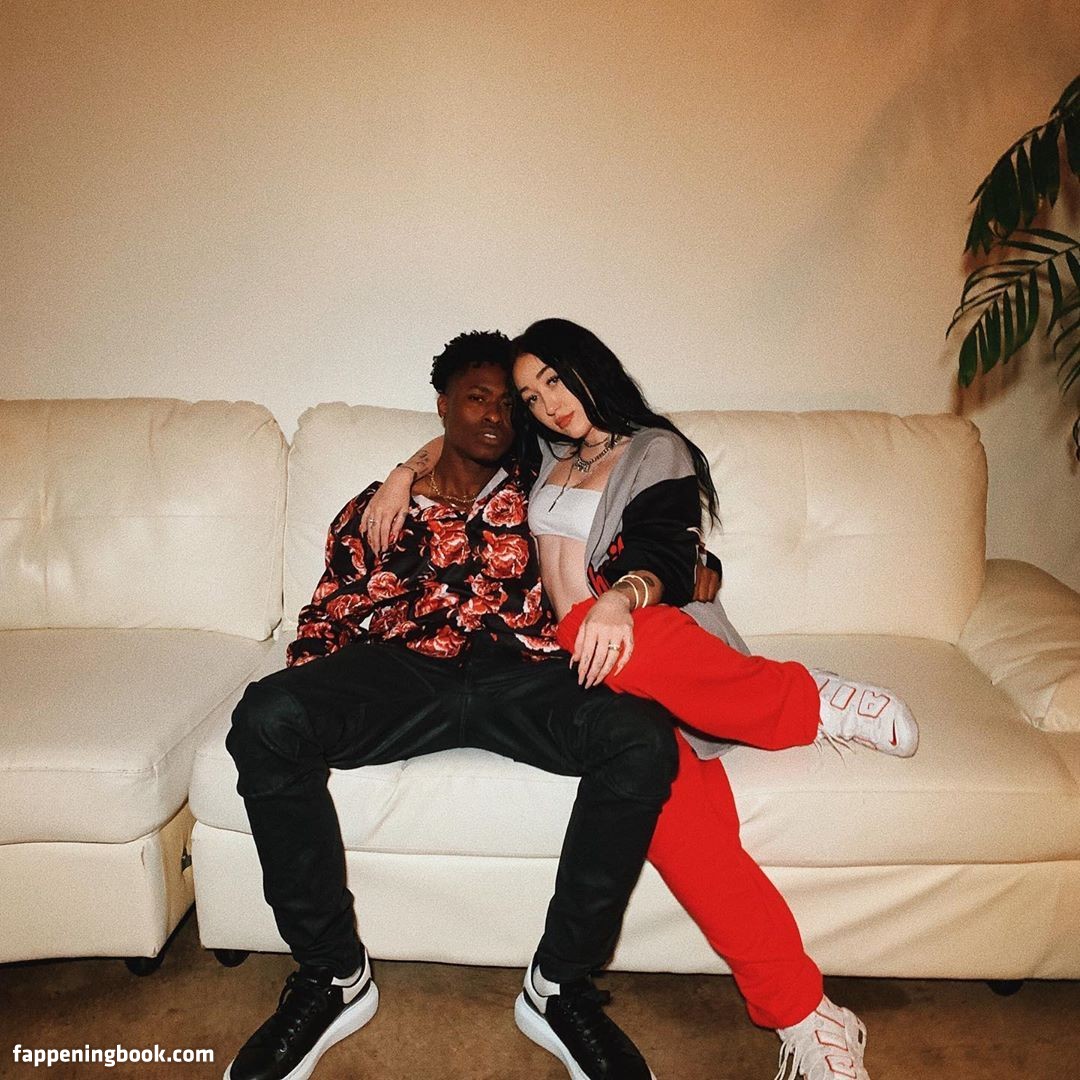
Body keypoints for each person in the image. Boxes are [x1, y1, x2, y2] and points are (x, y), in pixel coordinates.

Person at [366, 317, 921, 1080]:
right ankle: (810, 1012)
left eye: (554, 380)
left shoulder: (653, 448)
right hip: (578, 671)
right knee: (689, 836)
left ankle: (811, 708)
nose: (546, 404)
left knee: (656, 728)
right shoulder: (542, 454)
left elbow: (664, 543)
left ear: (588, 366)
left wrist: (620, 598)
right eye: (531, 396)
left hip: (646, 642)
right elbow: (461, 444)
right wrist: (401, 474)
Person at [224, 331, 680, 1080]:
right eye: (477, 398)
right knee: (267, 717)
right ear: (442, 406)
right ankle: (333, 975)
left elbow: (635, 533)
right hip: (401, 672)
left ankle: (559, 986)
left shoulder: (546, 487)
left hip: (521, 671)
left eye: (509, 403)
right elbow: (328, 610)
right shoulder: (376, 508)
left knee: (641, 738)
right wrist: (313, 690)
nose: (496, 414)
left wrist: (674, 577)